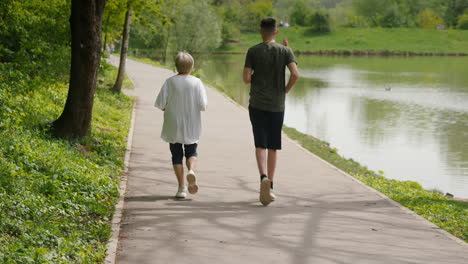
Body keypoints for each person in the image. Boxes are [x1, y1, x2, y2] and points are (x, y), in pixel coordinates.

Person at [243, 17, 300, 206]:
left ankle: (263, 178)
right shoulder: (285, 51)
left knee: (260, 144)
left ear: (260, 31)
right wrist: (285, 90)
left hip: (257, 104)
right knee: (273, 146)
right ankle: (271, 185)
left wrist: (254, 75)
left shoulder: (253, 51)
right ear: (276, 32)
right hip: (277, 105)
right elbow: (295, 74)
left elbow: (245, 79)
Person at [155, 51, 208, 199]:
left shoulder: (169, 82)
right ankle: (191, 170)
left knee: (176, 155)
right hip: (191, 123)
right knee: (191, 152)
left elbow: (160, 103)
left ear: (176, 66)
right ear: (191, 66)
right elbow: (203, 105)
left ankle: (181, 188)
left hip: (173, 123)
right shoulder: (197, 82)